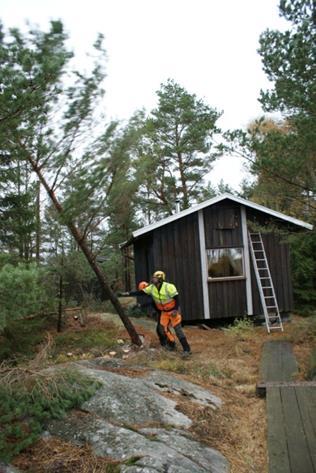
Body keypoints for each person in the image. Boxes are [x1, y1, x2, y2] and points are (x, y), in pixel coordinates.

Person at [128, 271, 191, 356]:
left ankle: (187, 350)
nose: (152, 279)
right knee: (161, 330)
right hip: (164, 313)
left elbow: (177, 299)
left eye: (155, 278)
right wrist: (127, 293)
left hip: (173, 311)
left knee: (178, 330)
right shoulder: (152, 288)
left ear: (160, 278)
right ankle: (172, 345)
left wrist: (175, 310)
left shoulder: (169, 287)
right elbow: (141, 292)